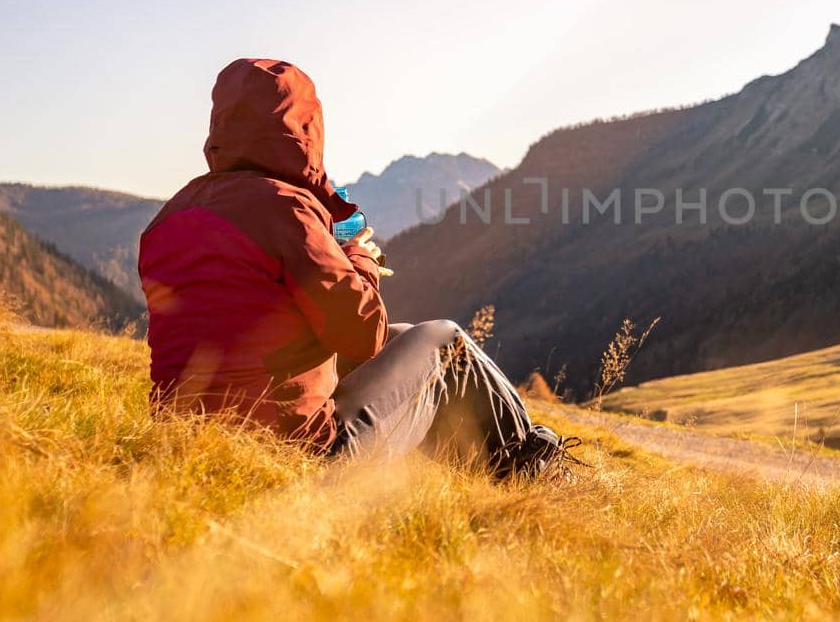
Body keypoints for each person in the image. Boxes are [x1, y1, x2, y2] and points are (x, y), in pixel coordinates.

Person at [137, 57, 574, 480]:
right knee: (444, 342)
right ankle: (532, 468)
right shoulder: (286, 211)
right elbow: (363, 335)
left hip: (188, 445)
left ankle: (497, 466)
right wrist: (358, 255)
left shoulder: (171, 217)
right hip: (301, 456)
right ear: (303, 128)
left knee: (403, 338)